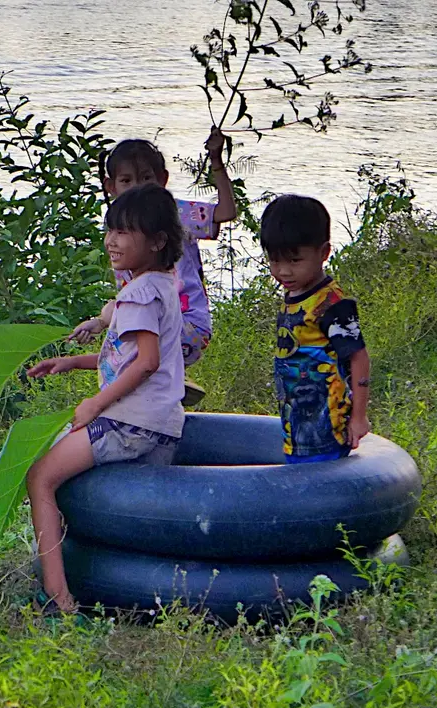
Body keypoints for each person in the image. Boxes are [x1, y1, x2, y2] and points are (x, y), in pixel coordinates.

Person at [26, 184, 185, 613]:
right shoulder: (163, 285)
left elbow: (146, 362)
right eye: (110, 230)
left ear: (157, 241)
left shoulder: (135, 294)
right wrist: (73, 362)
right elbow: (130, 356)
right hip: (162, 424)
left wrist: (95, 405)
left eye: (125, 232)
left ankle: (58, 597)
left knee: (40, 478)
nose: (112, 241)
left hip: (126, 422)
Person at [69, 128, 237, 405]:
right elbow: (127, 299)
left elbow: (227, 212)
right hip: (150, 319)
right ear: (111, 187)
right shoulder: (120, 231)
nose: (137, 188)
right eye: (127, 180)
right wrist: (100, 322)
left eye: (146, 178)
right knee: (119, 329)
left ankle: (165, 380)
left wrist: (216, 161)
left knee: (126, 363)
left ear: (162, 180)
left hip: (184, 325)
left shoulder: (176, 213)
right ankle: (167, 380)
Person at [260, 194, 371, 463]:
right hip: (295, 419)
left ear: (323, 253)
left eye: (294, 261)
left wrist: (358, 416)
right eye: (275, 261)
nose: (283, 271)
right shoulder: (295, 295)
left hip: (326, 421)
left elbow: (359, 357)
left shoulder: (331, 304)